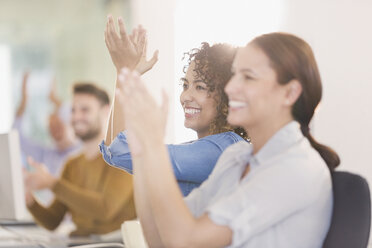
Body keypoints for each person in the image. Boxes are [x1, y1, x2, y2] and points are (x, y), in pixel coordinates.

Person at [116, 32, 340, 247]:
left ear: (290, 93)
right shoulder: (237, 158)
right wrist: (142, 149)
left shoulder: (293, 166)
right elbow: (160, 237)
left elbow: (184, 240)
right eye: (235, 75)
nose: (230, 88)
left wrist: (153, 146)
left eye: (248, 77)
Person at [100, 15, 247, 196]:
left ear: (229, 95)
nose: (186, 96)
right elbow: (111, 151)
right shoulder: (211, 147)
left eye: (200, 87)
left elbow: (120, 151)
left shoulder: (223, 150)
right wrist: (125, 75)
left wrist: (125, 73)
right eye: (185, 85)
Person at [24, 83, 136, 236]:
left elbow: (105, 209)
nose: (76, 117)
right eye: (73, 110)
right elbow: (53, 220)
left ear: (105, 111)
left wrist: (52, 183)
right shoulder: (72, 164)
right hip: (79, 243)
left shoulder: (122, 159)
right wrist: (29, 199)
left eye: (85, 110)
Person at [14, 71, 81, 176]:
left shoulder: (84, 149)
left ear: (69, 123)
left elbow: (75, 113)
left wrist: (54, 100)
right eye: (51, 127)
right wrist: (23, 102)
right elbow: (17, 139)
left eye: (58, 125)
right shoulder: (46, 155)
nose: (55, 130)